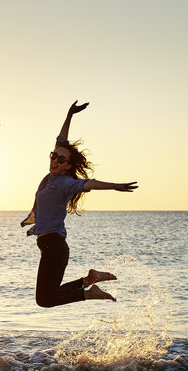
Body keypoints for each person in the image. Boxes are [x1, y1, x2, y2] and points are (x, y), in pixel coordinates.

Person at [22, 100, 137, 307]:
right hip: (48, 245)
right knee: (48, 296)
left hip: (55, 246)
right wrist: (69, 115)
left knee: (45, 300)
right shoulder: (51, 178)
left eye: (61, 159)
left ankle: (90, 291)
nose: (55, 160)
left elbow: (89, 183)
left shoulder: (66, 183)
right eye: (54, 155)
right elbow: (62, 139)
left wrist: (114, 185)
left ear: (68, 166)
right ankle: (89, 281)